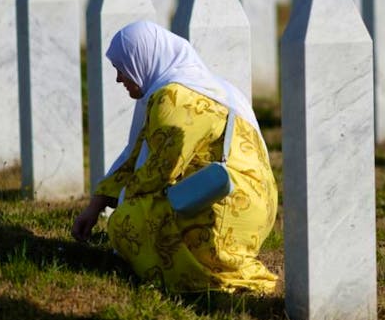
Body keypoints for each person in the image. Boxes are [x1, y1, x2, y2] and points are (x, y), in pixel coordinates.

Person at [72, 21, 278, 294]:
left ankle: (210, 281)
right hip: (253, 203)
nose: (119, 79)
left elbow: (161, 169)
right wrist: (96, 206)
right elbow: (135, 158)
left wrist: (123, 205)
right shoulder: (203, 86)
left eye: (121, 68)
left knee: (126, 222)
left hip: (226, 204)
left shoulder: (174, 97)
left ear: (141, 60)